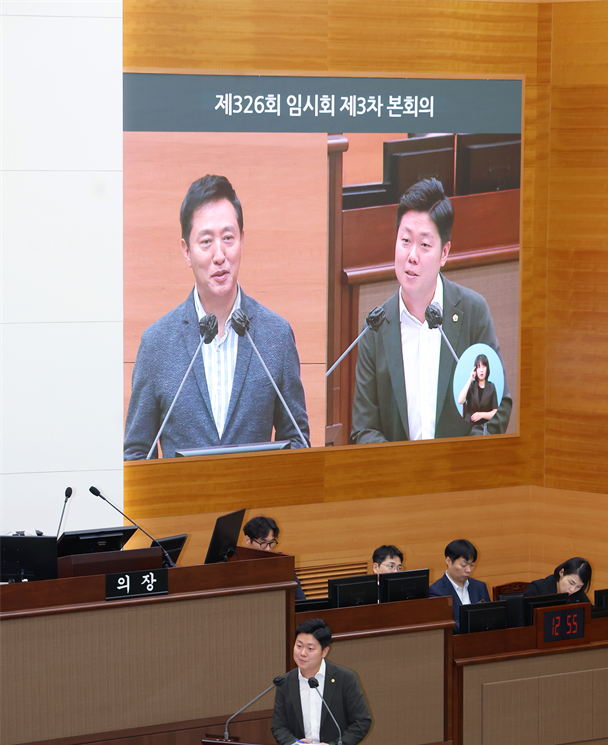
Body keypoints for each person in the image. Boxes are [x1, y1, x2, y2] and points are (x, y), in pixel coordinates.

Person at [124, 175, 310, 459]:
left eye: (228, 238)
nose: (220, 255)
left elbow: (298, 442)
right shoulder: (157, 344)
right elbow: (137, 453)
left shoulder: (276, 335)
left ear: (242, 240)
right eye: (206, 241)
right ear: (187, 251)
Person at [350, 178, 512, 443]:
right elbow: (364, 429)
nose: (412, 256)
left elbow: (495, 407)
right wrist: (403, 465)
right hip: (399, 469)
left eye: (424, 245)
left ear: (444, 253)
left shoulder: (472, 312)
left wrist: (460, 460)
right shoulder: (375, 328)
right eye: (405, 241)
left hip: (459, 467)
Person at [271, 618, 371, 745]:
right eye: (299, 646)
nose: (302, 653)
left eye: (310, 648)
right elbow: (279, 726)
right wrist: (295, 744)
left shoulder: (345, 678)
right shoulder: (284, 682)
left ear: (324, 651)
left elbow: (361, 722)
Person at [429, 539, 490, 632]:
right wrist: (476, 622)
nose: (468, 570)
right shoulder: (435, 591)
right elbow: (443, 627)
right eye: (463, 565)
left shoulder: (480, 587)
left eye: (472, 565)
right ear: (448, 561)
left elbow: (489, 617)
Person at [243, 515, 306, 601]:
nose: (268, 549)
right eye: (263, 543)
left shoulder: (283, 567)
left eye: (271, 543)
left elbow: (300, 600)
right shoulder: (238, 569)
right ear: (247, 540)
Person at [524, 557, 592, 604]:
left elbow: (592, 614)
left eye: (579, 586)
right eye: (571, 583)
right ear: (561, 572)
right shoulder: (536, 589)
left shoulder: (577, 592)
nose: (572, 590)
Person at [457, 353, 498, 429]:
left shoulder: (491, 386)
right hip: (469, 427)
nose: (481, 370)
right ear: (475, 370)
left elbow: (495, 412)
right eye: (479, 367)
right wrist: (470, 380)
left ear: (487, 368)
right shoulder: (471, 385)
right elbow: (460, 400)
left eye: (484, 366)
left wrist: (482, 415)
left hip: (485, 427)